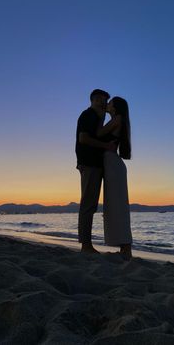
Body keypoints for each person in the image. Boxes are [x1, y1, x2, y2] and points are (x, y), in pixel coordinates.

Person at [75, 89, 115, 254]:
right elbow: (83, 138)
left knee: (90, 204)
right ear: (92, 100)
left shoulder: (98, 118)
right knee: (88, 204)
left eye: (104, 100)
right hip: (89, 163)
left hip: (94, 164)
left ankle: (86, 244)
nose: (102, 102)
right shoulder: (89, 115)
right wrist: (106, 146)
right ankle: (86, 245)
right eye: (99, 99)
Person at [97, 96, 133, 260]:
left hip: (112, 164)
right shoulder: (118, 119)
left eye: (109, 103)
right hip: (111, 163)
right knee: (115, 206)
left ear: (116, 107)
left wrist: (101, 114)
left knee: (117, 206)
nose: (107, 105)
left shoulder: (117, 119)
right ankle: (124, 247)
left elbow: (98, 134)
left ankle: (126, 247)